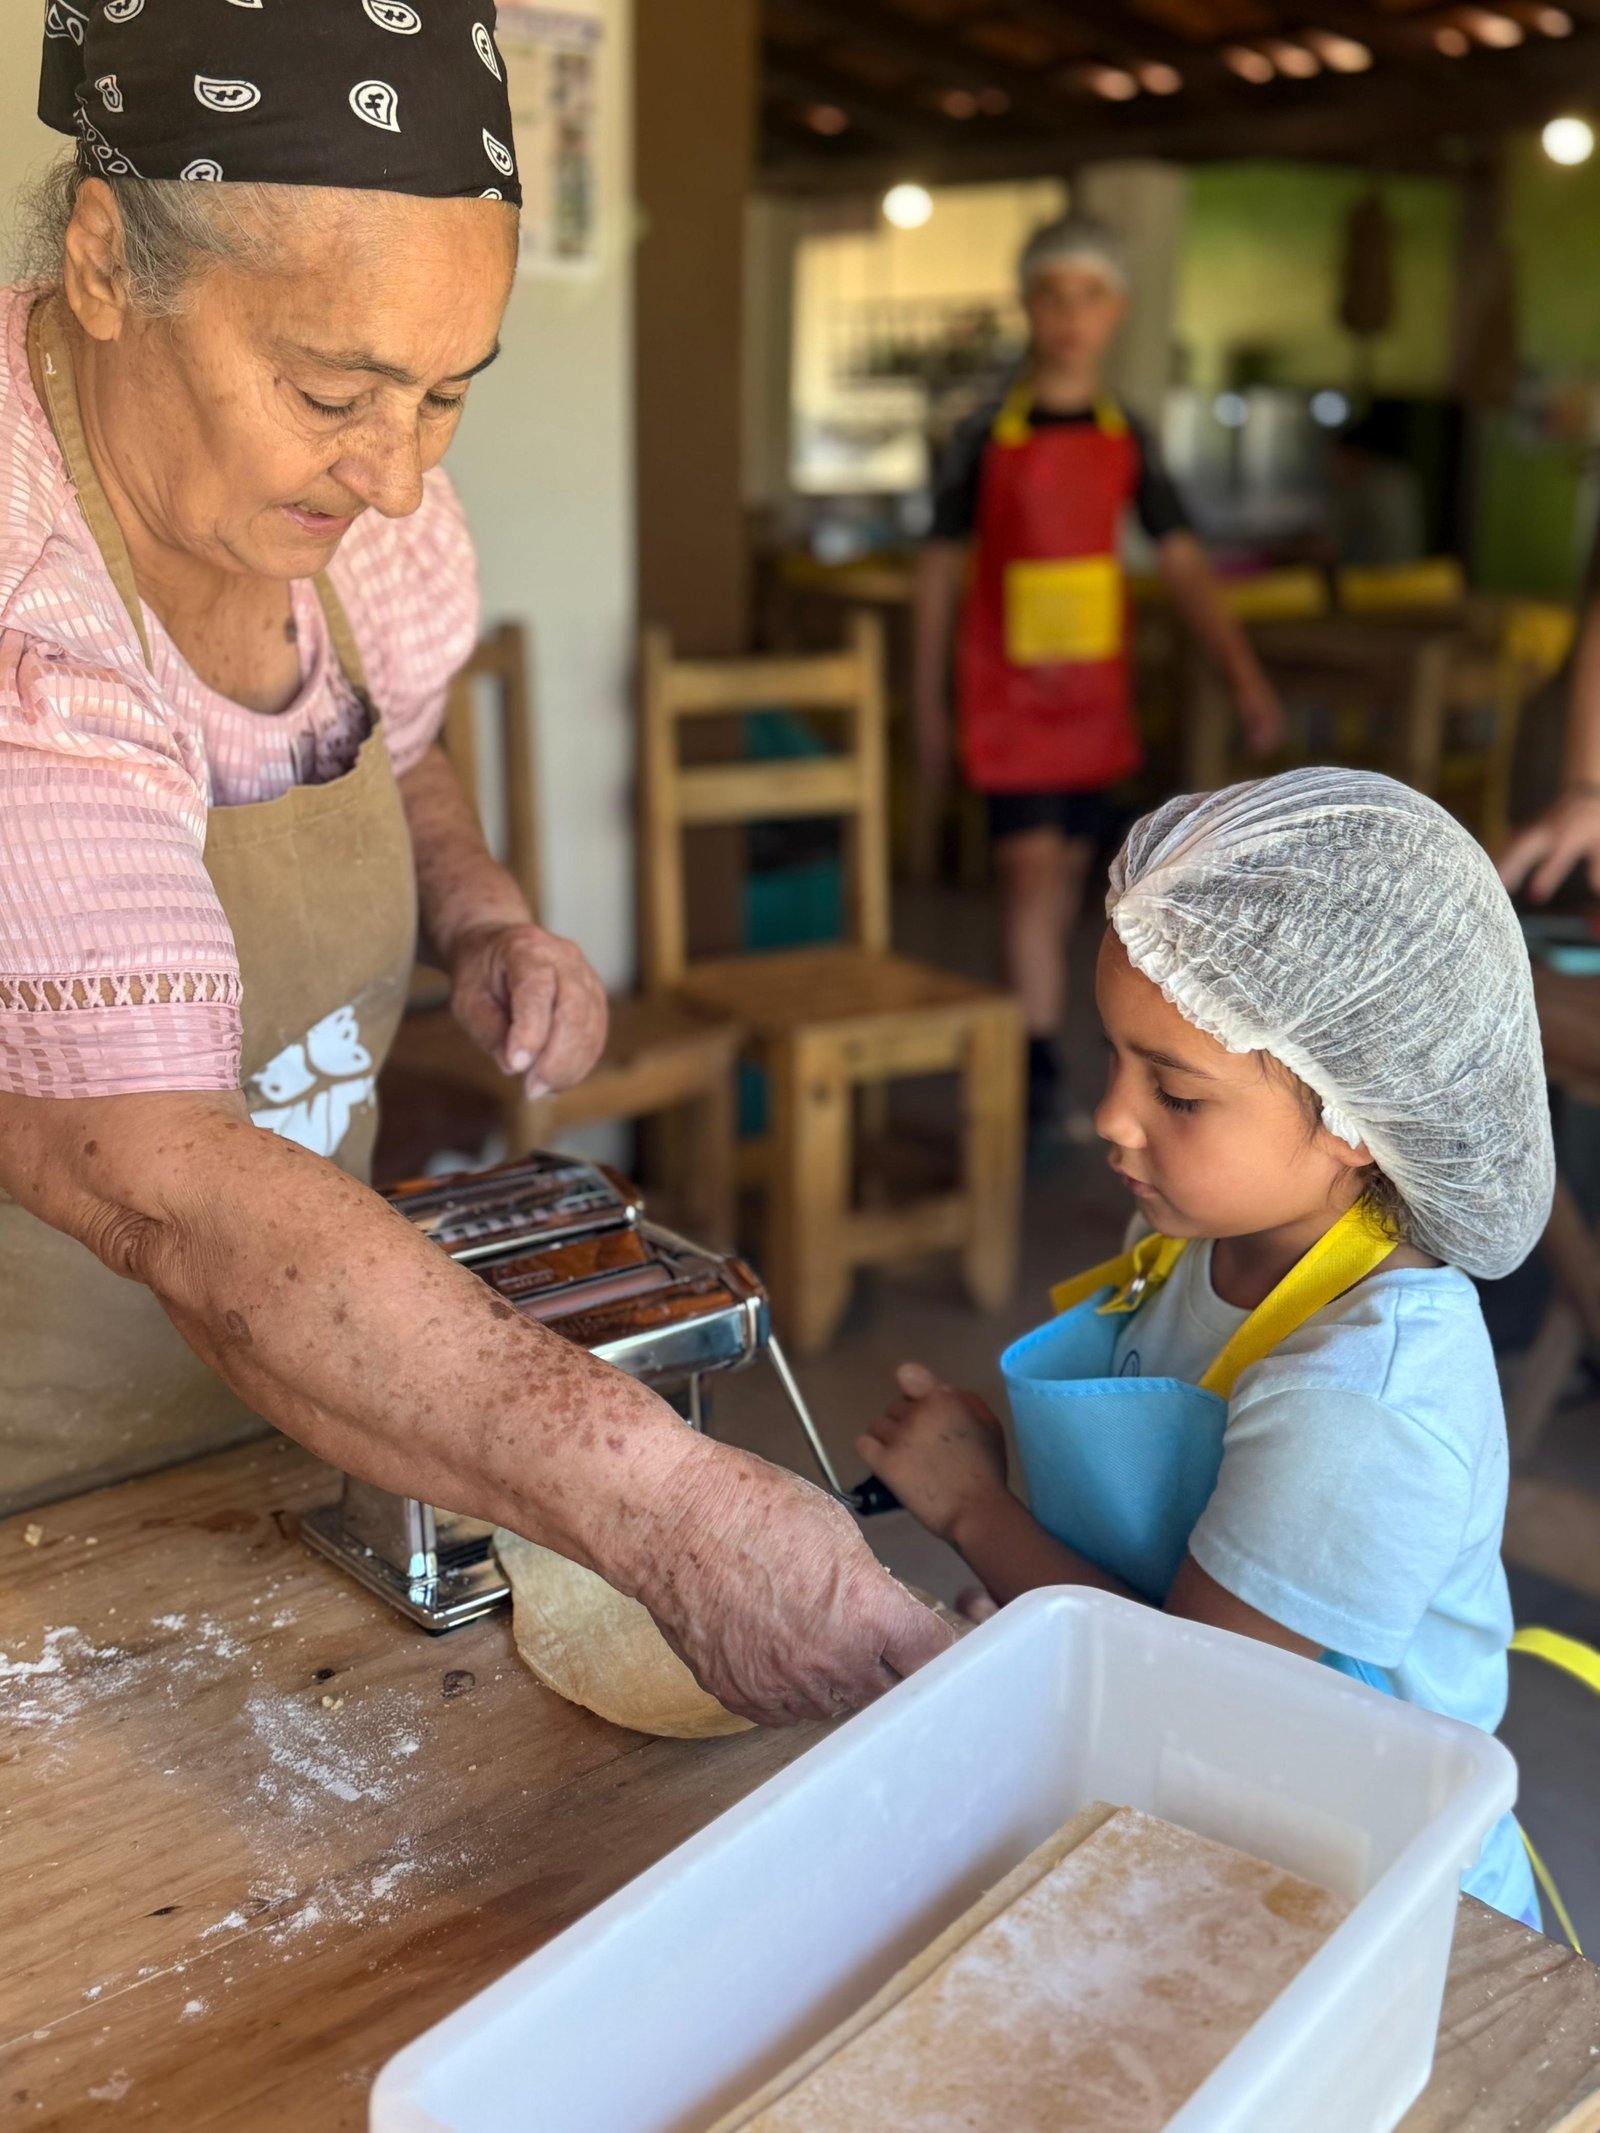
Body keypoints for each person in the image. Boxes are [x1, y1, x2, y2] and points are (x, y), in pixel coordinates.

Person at [0, 0, 948, 1725]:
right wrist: (667, 1511)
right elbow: (156, 1176)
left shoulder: (362, 519)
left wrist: (485, 909)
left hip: (308, 1392)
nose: (394, 474)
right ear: (103, 262)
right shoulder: (25, 605)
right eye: (332, 391)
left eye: (445, 394)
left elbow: (405, 745)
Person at [858, 769, 1554, 1921]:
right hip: (1196, 1802)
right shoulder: (1202, 1238)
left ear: (1358, 1118)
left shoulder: (1361, 1402)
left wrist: (978, 1514)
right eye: (1113, 1056)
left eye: (1175, 1095)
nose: (1109, 1116)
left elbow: (1193, 1697)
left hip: (1355, 1889)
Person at [912, 214, 1286, 1139]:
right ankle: (1035, 1070)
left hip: (1090, 702)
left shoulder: (1131, 436)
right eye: (1053, 295)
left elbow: (1184, 562)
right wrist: (925, 702)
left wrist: (1243, 675)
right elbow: (936, 572)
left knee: (1072, 882)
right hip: (1005, 699)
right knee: (1028, 877)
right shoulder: (980, 435)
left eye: (1090, 296)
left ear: (1116, 310)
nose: (1070, 316)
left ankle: (1036, 1054)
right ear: (1026, 305)